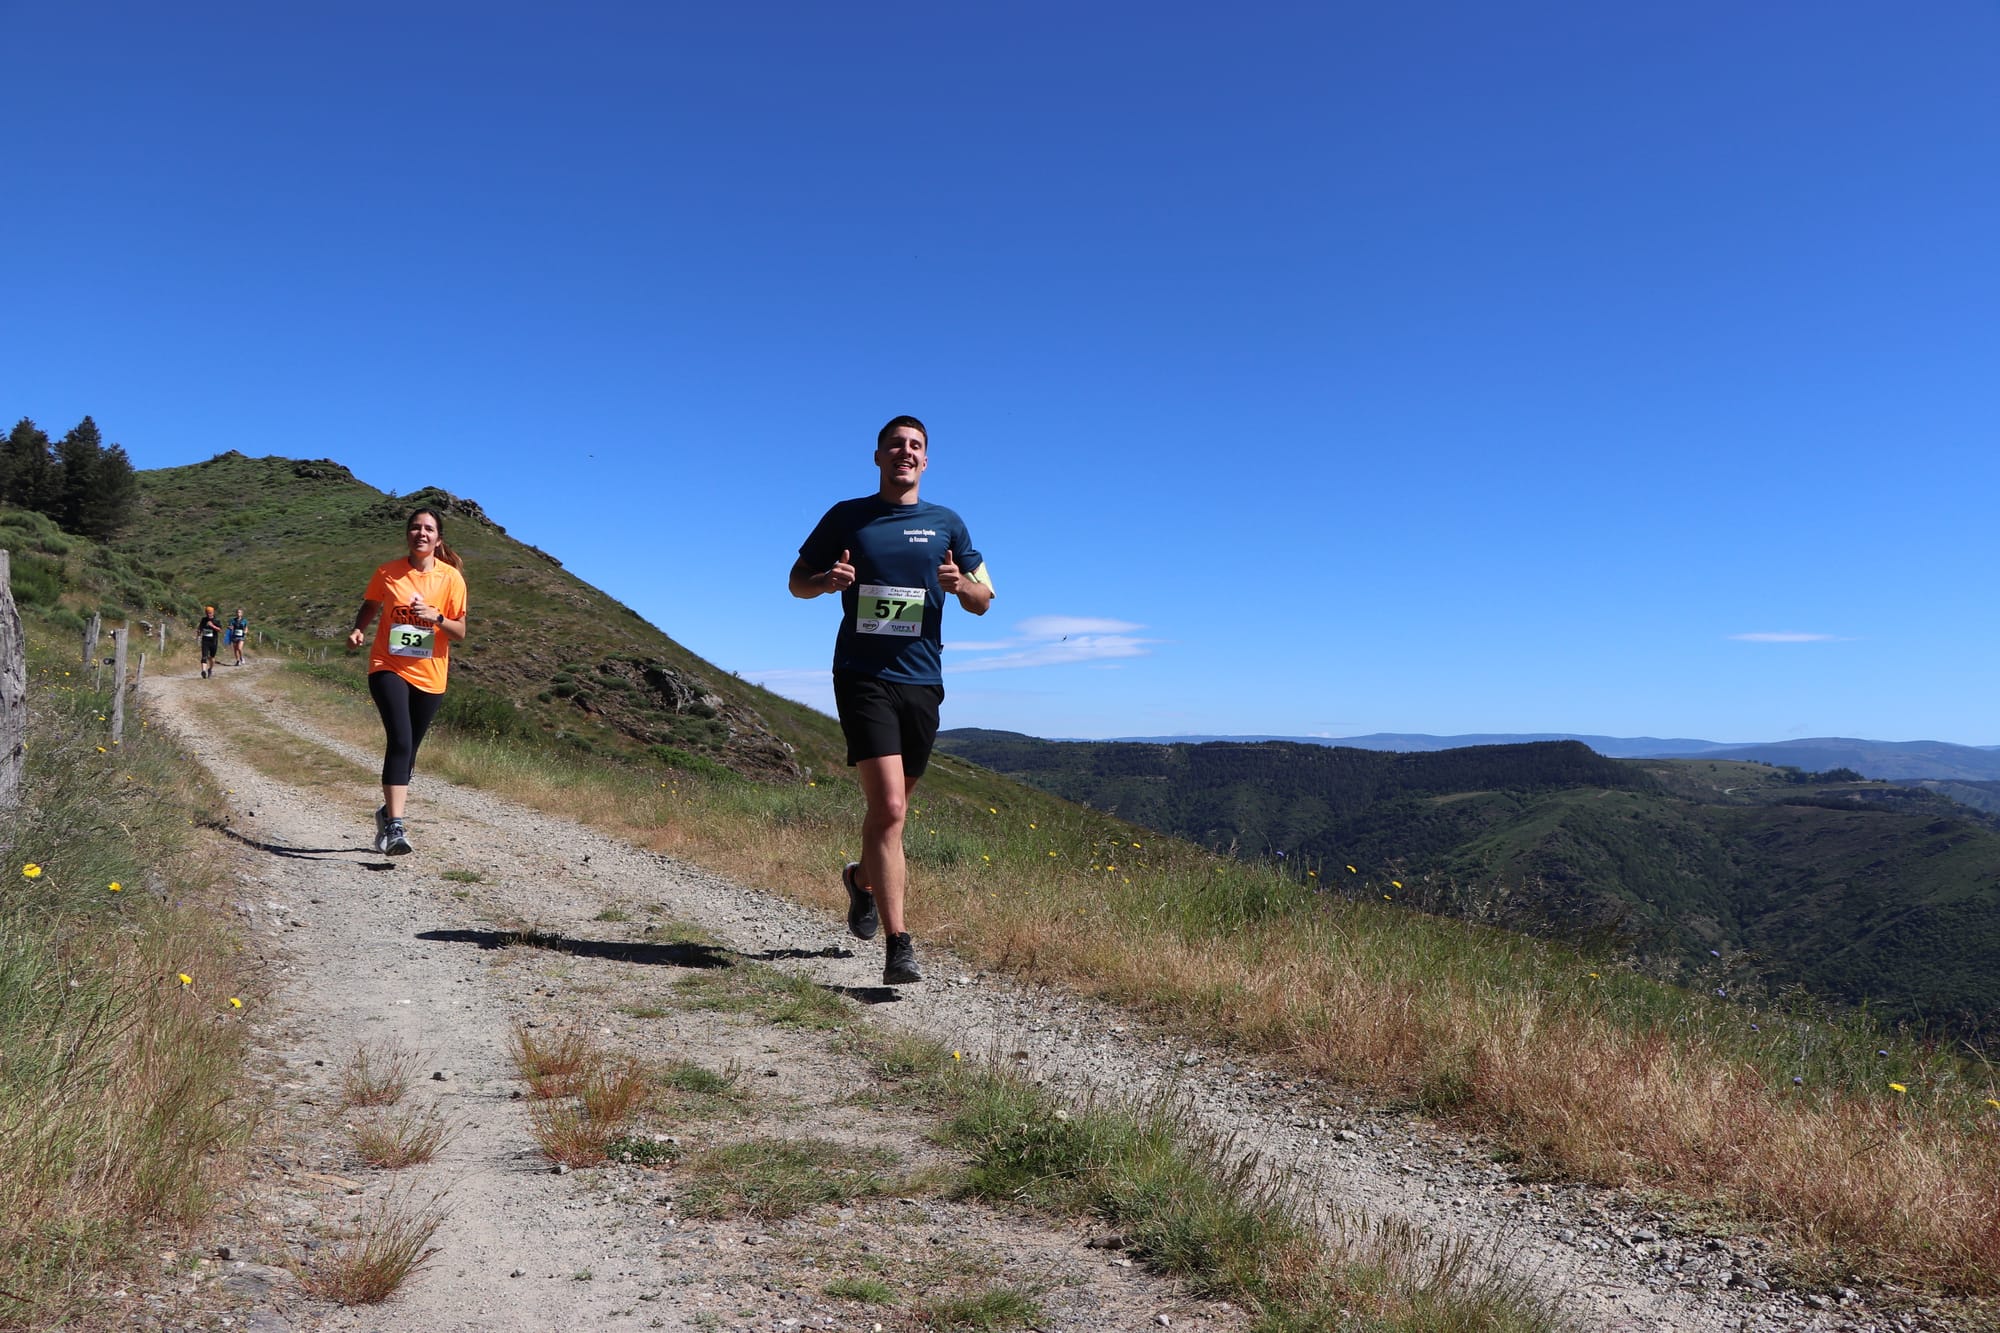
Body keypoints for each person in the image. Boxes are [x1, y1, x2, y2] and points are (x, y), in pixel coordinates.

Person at [790, 415, 993, 985]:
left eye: (916, 447)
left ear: (926, 461)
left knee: (888, 813)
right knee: (894, 811)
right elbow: (795, 581)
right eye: (895, 445)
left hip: (922, 680)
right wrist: (827, 581)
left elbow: (985, 599)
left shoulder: (947, 524)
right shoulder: (847, 516)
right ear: (878, 457)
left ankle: (860, 882)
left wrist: (963, 586)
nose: (905, 453)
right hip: (862, 675)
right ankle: (899, 944)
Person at [346, 507, 468, 857]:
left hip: (431, 674)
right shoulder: (388, 573)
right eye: (415, 528)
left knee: (409, 752)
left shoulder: (451, 579)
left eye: (428, 529)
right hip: (388, 665)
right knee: (399, 739)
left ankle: (386, 814)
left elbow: (459, 632)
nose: (421, 533)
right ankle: (396, 827)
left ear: (438, 538)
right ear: (408, 535)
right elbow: (370, 604)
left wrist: (437, 617)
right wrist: (358, 630)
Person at [198, 606, 222, 679]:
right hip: (205, 641)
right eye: (207, 613)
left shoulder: (216, 620)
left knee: (212, 657)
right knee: (204, 656)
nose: (209, 614)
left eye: (210, 613)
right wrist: (199, 632)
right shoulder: (204, 620)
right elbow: (200, 628)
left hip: (213, 641)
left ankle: (210, 669)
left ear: (213, 612)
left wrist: (213, 626)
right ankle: (203, 671)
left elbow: (220, 630)